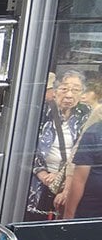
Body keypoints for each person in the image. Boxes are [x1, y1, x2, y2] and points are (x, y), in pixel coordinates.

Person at [25, 70, 89, 221]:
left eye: (75, 90)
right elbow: (25, 148)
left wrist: (66, 181)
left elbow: (86, 153)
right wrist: (42, 174)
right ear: (54, 91)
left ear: (81, 94)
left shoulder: (86, 115)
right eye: (64, 88)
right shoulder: (40, 113)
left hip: (72, 181)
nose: (69, 95)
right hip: (37, 181)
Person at [63, 76, 102, 219]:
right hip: (90, 211)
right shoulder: (94, 133)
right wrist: (69, 215)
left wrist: (68, 217)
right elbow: (79, 179)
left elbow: (79, 179)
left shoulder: (94, 131)